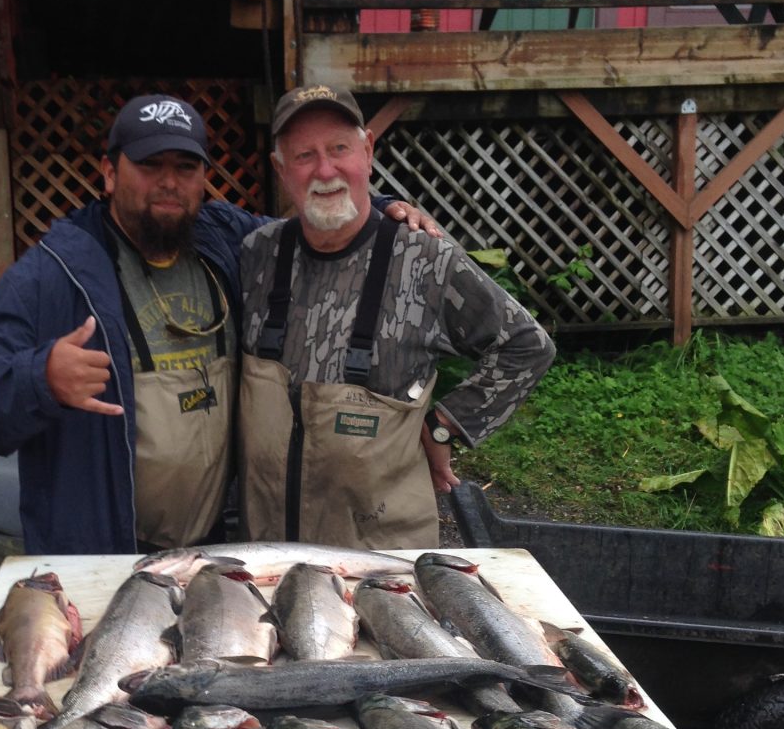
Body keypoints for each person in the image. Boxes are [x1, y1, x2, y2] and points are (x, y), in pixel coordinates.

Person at [0, 93, 432, 555]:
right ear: (110, 173)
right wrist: (40, 378)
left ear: (203, 177)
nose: (169, 182)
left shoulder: (227, 241)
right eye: (150, 165)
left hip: (215, 550)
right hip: (111, 557)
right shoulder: (55, 272)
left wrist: (381, 206)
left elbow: (315, 227)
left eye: (185, 167)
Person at [237, 84, 556, 550]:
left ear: (367, 150)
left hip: (379, 564)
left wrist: (447, 424)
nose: (325, 170)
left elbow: (527, 345)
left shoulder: (425, 259)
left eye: (339, 149)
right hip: (267, 556)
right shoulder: (255, 254)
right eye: (304, 155)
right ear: (281, 170)